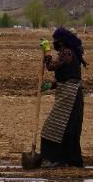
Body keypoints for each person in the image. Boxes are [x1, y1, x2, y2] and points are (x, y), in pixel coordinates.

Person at [35, 27, 87, 168]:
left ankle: (55, 158)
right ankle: (65, 159)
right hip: (69, 93)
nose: (54, 43)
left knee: (55, 126)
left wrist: (46, 52)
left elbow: (52, 66)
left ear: (62, 42)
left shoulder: (67, 52)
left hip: (70, 95)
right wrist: (51, 85)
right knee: (66, 127)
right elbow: (67, 76)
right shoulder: (70, 52)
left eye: (55, 41)